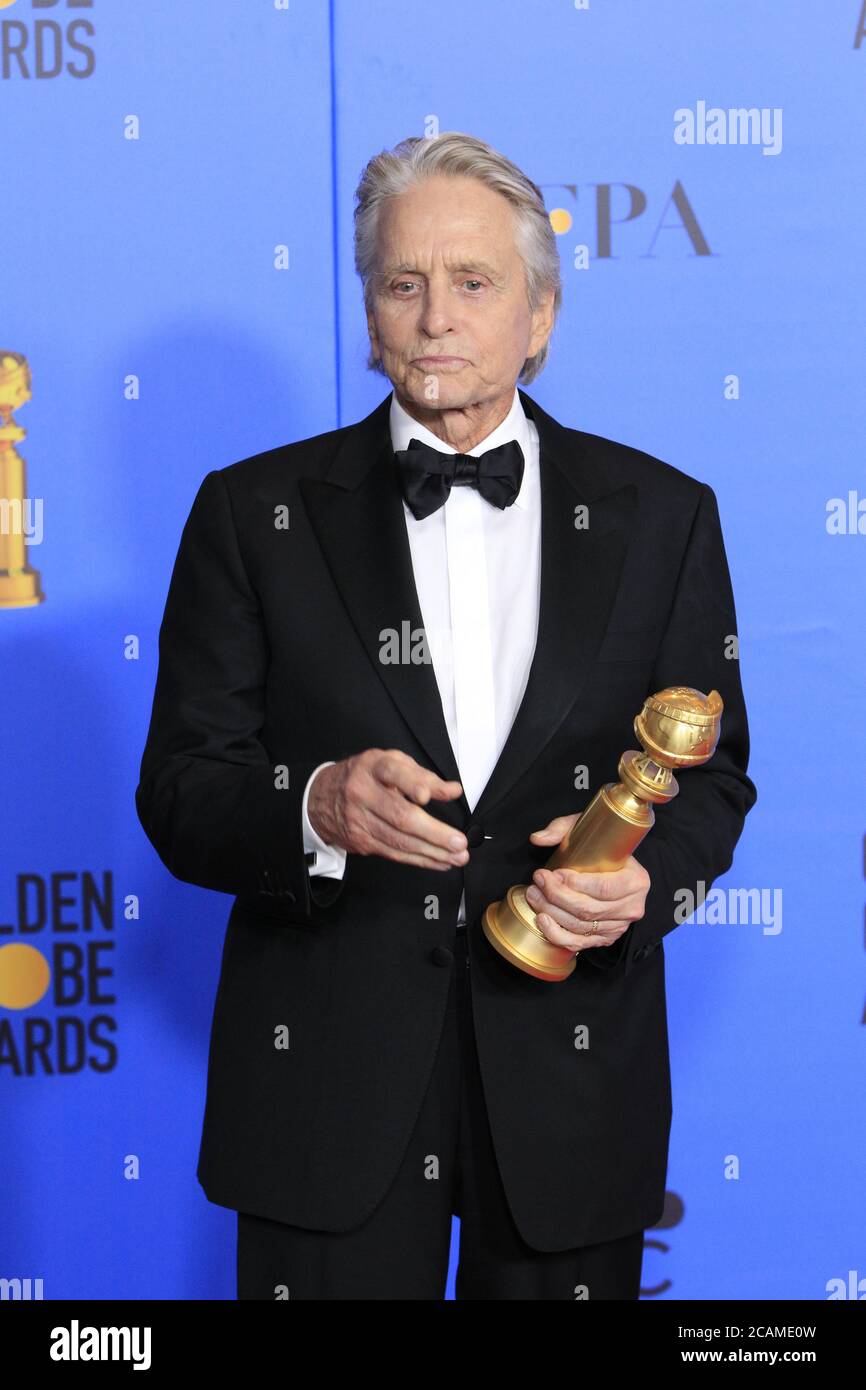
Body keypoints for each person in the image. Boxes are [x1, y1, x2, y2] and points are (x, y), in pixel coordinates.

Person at [135, 131, 757, 1300]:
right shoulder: (250, 513)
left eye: (473, 283)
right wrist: (315, 806)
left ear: (540, 316)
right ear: (367, 312)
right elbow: (180, 791)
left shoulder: (663, 514)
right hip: (326, 1090)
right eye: (401, 282)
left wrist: (641, 884)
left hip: (568, 1084)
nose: (434, 317)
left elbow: (714, 780)